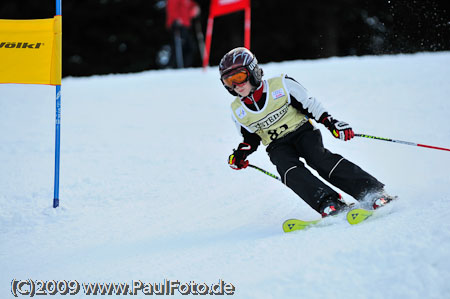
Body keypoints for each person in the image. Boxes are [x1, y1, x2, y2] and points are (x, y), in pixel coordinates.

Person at [220, 47, 394, 217]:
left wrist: (331, 124)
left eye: (239, 77)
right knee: (288, 171)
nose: (236, 85)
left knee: (318, 158)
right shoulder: (237, 110)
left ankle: (372, 191)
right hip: (277, 145)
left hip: (302, 132)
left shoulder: (281, 85)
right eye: (229, 81)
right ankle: (327, 202)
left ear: (253, 72)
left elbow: (310, 105)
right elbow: (250, 137)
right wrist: (240, 154)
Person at [165, 0, 200, 68]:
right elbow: (171, 9)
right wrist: (175, 20)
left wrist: (195, 10)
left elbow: (191, 6)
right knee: (178, 47)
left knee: (190, 47)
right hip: (178, 26)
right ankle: (172, 66)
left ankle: (186, 66)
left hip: (186, 25)